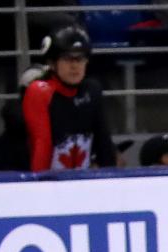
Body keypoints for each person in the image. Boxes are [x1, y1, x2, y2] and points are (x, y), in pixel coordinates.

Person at [21, 25, 117, 172]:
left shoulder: (92, 90)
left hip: (82, 180)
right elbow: (41, 144)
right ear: (52, 63)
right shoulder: (40, 91)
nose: (75, 66)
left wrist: (111, 178)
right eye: (67, 59)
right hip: (49, 181)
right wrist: (39, 186)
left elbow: (104, 141)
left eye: (80, 59)